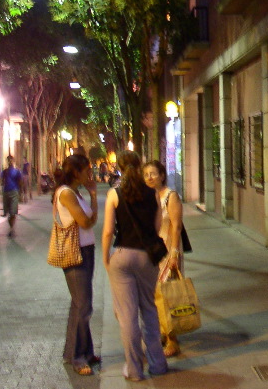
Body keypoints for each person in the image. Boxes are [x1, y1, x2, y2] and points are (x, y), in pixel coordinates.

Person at [102, 150, 168, 382]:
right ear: (140, 166)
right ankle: (158, 364)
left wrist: (106, 258)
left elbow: (108, 231)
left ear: (120, 168)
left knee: (127, 316)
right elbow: (157, 227)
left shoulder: (114, 194)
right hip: (147, 257)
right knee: (149, 309)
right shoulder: (153, 194)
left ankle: (134, 370)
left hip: (122, 256)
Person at [52, 154, 100, 376]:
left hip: (87, 250)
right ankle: (79, 357)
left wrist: (93, 195)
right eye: (86, 170)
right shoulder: (65, 193)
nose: (89, 174)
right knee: (83, 305)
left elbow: (91, 221)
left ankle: (80, 352)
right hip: (75, 252)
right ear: (76, 171)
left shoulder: (77, 192)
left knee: (79, 304)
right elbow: (85, 222)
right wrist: (91, 216)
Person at [143, 160, 184, 357]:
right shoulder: (147, 197)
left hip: (168, 250)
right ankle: (162, 331)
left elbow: (176, 226)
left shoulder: (171, 196)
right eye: (146, 175)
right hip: (153, 252)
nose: (150, 177)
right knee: (155, 295)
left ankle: (172, 339)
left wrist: (174, 252)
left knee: (167, 295)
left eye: (153, 173)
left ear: (162, 175)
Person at [0, 155, 22, 237]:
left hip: (14, 192)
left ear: (13, 161)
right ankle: (11, 228)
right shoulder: (4, 172)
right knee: (8, 212)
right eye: (8, 160)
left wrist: (20, 193)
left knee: (13, 212)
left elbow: (20, 182)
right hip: (6, 192)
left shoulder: (17, 171)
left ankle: (11, 229)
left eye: (11, 160)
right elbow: (1, 181)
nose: (10, 162)